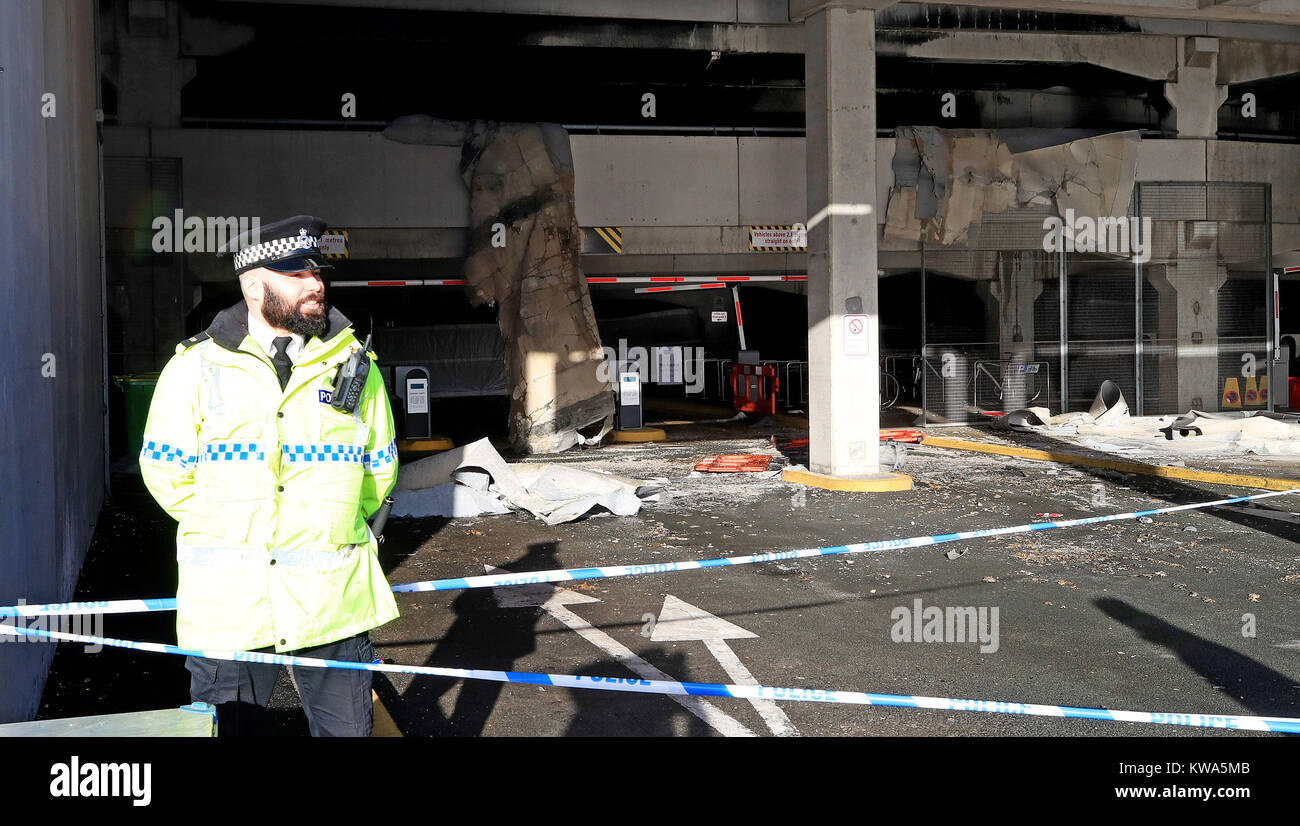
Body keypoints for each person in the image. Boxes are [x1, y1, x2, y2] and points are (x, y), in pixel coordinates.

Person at [139, 215, 399, 736]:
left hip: (332, 602)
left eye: (318, 274)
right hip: (229, 602)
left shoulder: (355, 366)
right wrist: (231, 528)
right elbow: (167, 473)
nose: (317, 285)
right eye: (297, 275)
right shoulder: (194, 367)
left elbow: (379, 470)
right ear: (255, 285)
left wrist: (329, 533)